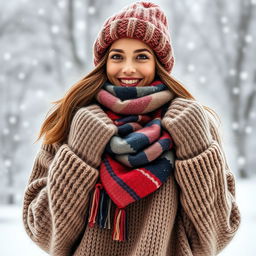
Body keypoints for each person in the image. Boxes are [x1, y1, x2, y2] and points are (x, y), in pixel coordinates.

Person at [22, 2, 241, 256]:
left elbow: (213, 238)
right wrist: (80, 151)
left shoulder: (189, 125)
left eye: (141, 56)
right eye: (117, 56)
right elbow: (45, 234)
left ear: (158, 63)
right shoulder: (71, 122)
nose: (128, 68)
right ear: (103, 62)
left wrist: (195, 147)